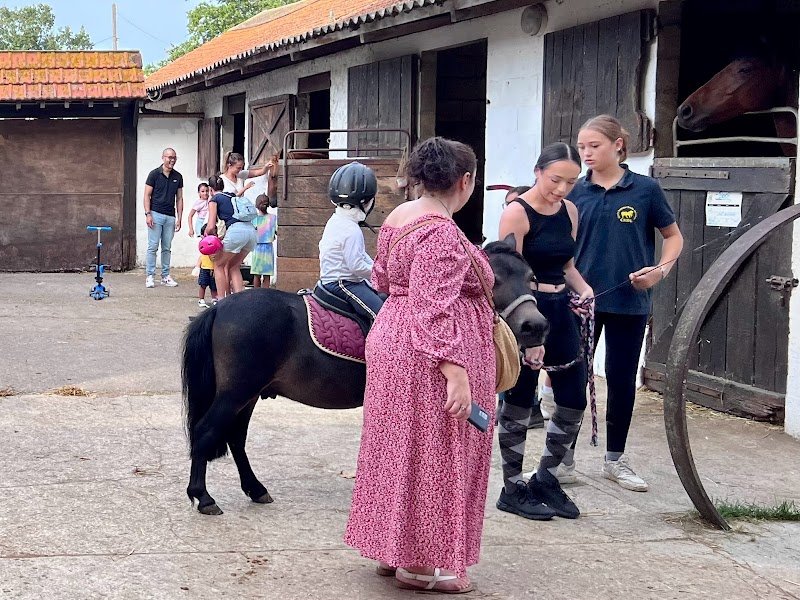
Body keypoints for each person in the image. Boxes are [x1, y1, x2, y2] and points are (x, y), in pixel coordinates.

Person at [344, 137, 494, 593]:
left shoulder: (398, 217)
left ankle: (394, 550)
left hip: (393, 338)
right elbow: (434, 309)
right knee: (436, 452)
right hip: (426, 352)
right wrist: (456, 372)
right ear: (465, 182)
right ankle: (424, 566)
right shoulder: (443, 233)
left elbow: (383, 279)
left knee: (396, 448)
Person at [572, 114, 684, 492]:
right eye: (581, 146)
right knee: (572, 378)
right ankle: (561, 459)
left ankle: (615, 460)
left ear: (619, 144)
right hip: (580, 302)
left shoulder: (645, 189)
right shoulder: (573, 190)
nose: (586, 153)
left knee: (621, 381)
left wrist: (660, 271)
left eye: (594, 146)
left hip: (630, 302)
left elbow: (673, 238)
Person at [496, 142, 593, 521]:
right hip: (526, 313)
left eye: (571, 182)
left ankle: (546, 478)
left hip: (559, 308)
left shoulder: (569, 211)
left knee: (573, 395)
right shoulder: (516, 215)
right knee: (519, 398)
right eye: (556, 180)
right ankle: (512, 486)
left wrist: (583, 288)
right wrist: (529, 340)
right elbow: (508, 275)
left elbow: (566, 265)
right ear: (537, 172)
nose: (562, 189)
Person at [318, 162, 384, 332]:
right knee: (384, 318)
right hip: (344, 284)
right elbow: (355, 266)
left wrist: (377, 267)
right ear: (366, 202)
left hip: (334, 279)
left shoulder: (336, 220)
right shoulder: (352, 229)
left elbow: (361, 256)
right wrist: (380, 274)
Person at [205, 174, 257, 297]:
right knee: (234, 266)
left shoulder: (214, 200)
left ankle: (221, 300)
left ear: (210, 189)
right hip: (251, 232)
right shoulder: (232, 196)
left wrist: (207, 235)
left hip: (236, 231)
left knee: (218, 264)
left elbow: (211, 225)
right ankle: (240, 299)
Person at [143, 148, 183, 288]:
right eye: (169, 157)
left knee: (167, 247)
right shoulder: (154, 174)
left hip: (170, 216)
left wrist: (179, 217)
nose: (172, 160)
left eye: (174, 157)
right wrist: (148, 214)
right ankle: (150, 275)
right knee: (153, 246)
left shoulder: (178, 176)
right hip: (155, 214)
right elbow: (147, 195)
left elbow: (179, 198)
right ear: (163, 157)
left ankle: (165, 276)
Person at [250, 194, 277, 288]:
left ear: (256, 205)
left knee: (256, 274)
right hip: (268, 249)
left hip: (257, 248)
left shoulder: (254, 219)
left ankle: (255, 293)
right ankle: (266, 293)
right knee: (267, 274)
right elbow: (277, 231)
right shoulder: (273, 218)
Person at [194, 224, 218, 308]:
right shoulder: (203, 244)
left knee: (214, 286)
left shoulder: (217, 244)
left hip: (214, 268)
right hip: (204, 268)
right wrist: (197, 267)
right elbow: (201, 257)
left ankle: (215, 299)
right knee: (203, 285)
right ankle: (201, 299)